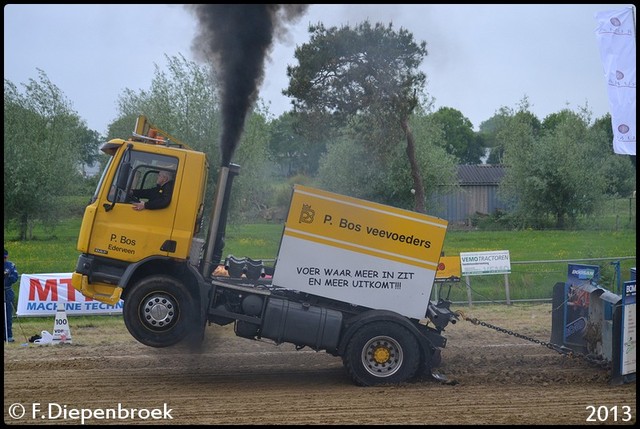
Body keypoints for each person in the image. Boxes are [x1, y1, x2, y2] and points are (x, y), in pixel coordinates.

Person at [4, 248, 19, 343]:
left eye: (5, 257)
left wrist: (8, 276)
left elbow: (15, 278)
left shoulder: (11, 265)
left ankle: (9, 335)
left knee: (8, 315)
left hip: (7, 291)